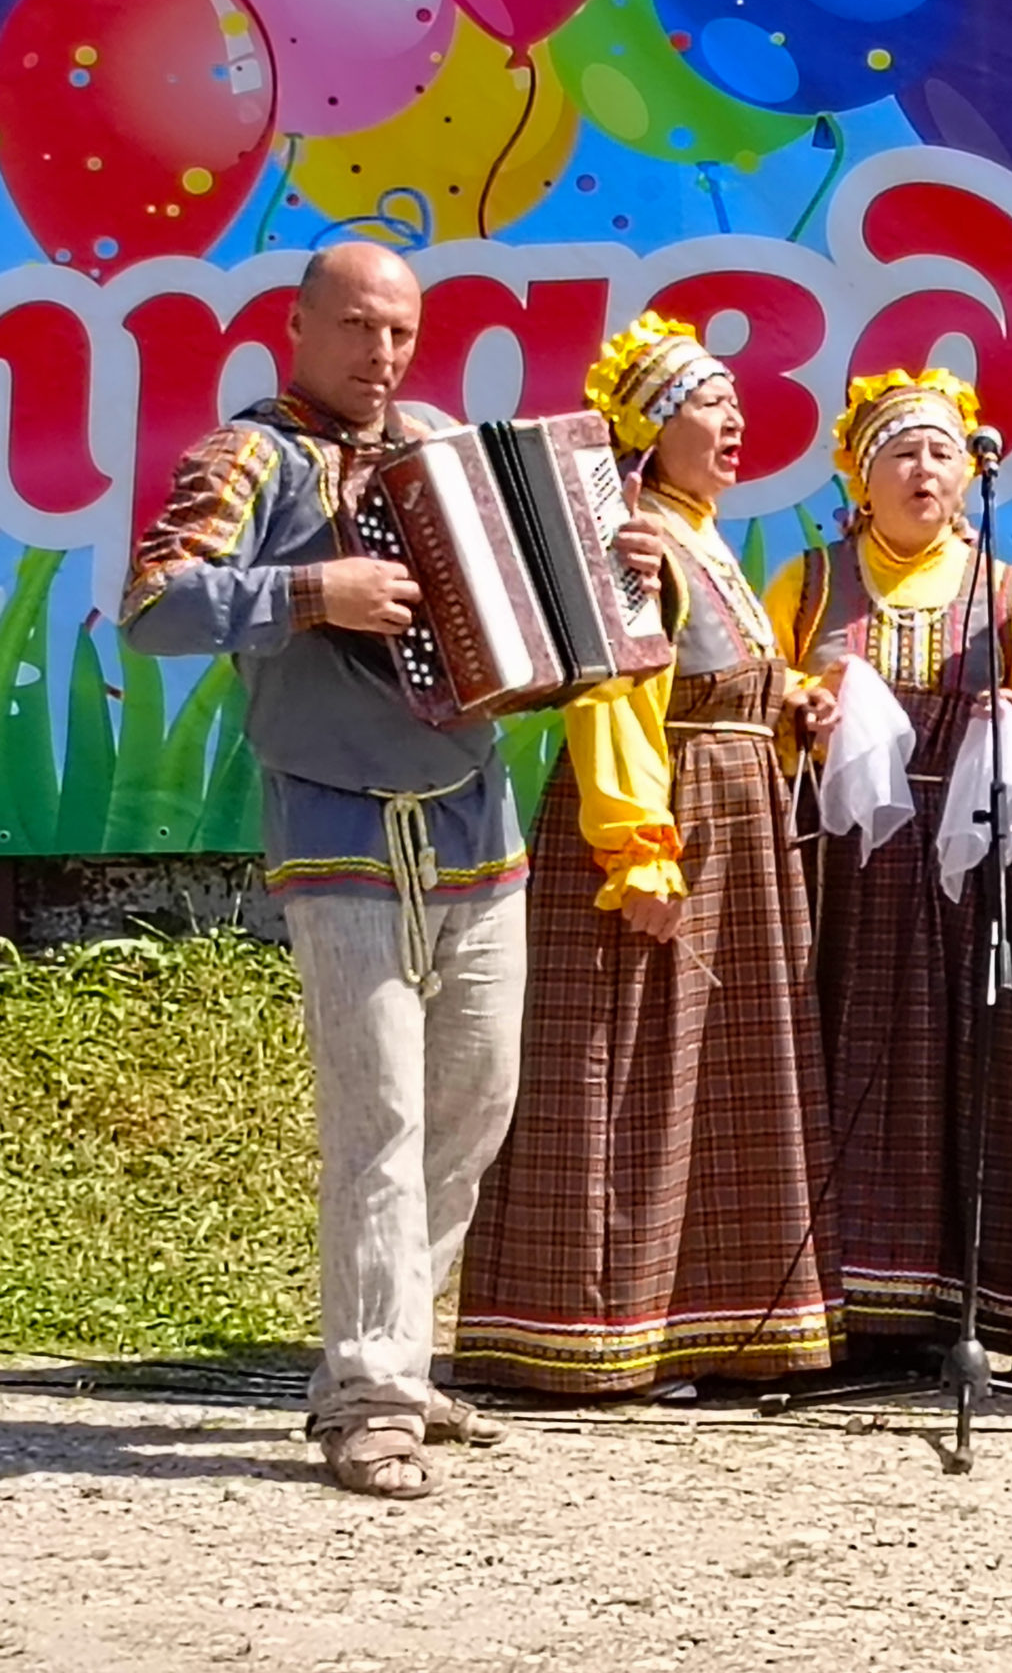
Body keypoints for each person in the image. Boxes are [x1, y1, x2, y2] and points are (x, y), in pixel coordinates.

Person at [119, 244, 660, 1499]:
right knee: (382, 1117)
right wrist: (316, 589)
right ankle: (367, 1396)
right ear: (296, 327)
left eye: (402, 332)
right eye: (358, 327)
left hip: (474, 820)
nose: (382, 355)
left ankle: (397, 1362)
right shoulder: (246, 455)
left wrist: (633, 576)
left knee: (476, 1102)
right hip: (335, 821)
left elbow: (577, 607)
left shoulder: (440, 451)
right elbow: (154, 606)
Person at [454, 314, 842, 1397]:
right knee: (630, 1068)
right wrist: (638, 854)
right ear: (653, 426)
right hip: (666, 827)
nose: (734, 418)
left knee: (711, 1071)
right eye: (708, 402)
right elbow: (615, 700)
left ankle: (702, 1320)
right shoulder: (634, 539)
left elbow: (718, 687)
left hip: (735, 823)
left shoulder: (700, 533)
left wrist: (792, 704)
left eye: (731, 400)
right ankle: (588, 1327)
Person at [763, 367, 1012, 1357]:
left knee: (967, 1068)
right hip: (845, 880)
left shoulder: (1005, 592)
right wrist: (807, 713)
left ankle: (954, 1303)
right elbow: (763, 716)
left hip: (964, 884)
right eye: (902, 451)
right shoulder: (809, 583)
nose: (925, 470)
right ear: (860, 474)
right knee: (833, 1059)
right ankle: (829, 1298)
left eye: (941, 450)